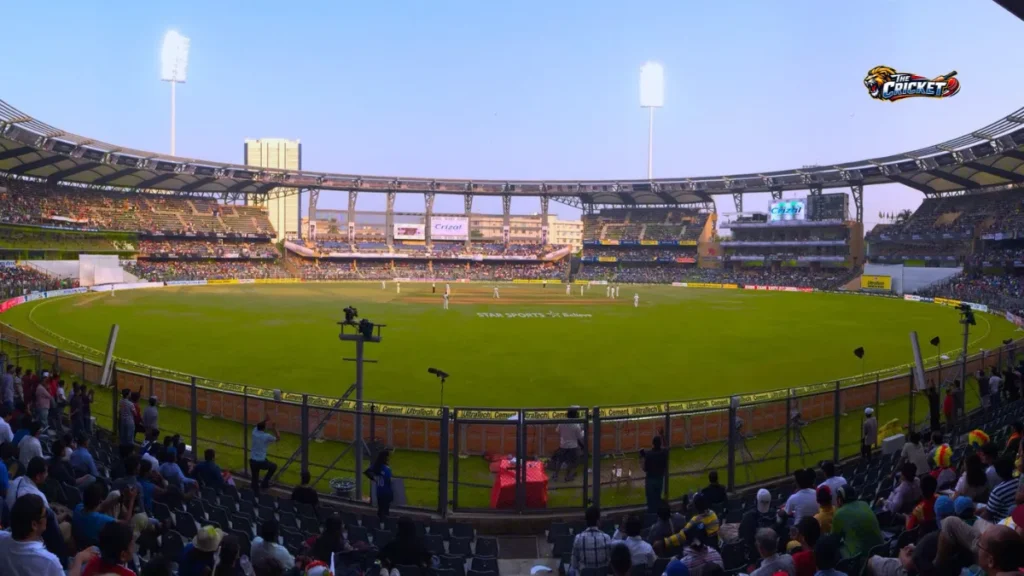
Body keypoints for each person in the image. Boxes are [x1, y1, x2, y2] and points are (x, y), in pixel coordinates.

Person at [0, 494, 95, 576]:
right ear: (34, 525)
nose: (47, 518)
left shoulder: (2, 538)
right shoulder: (48, 560)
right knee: (95, 553)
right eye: (45, 515)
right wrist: (79, 558)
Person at [72, 482, 135, 548]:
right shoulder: (102, 520)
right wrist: (132, 500)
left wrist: (120, 498)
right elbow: (126, 523)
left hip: (79, 544)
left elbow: (101, 507)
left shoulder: (78, 508)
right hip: (92, 550)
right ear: (100, 501)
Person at [831, 485, 883, 559]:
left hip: (862, 559)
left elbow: (834, 539)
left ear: (839, 499)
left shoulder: (839, 513)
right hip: (882, 550)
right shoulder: (864, 504)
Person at [571, 506, 613, 573]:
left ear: (586, 521)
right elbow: (610, 562)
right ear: (598, 521)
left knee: (570, 571)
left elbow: (574, 564)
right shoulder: (606, 538)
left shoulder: (578, 538)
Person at [249, 419, 279, 494]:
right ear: (264, 428)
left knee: (254, 479)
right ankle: (264, 483)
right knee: (273, 467)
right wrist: (274, 428)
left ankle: (254, 494)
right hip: (261, 461)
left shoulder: (254, 432)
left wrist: (265, 420)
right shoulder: (266, 436)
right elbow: (278, 438)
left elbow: (258, 425)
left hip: (252, 460)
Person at [554, 408, 584, 482]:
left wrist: (564, 435)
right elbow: (580, 437)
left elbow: (557, 430)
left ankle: (556, 475)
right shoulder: (576, 425)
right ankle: (568, 476)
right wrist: (583, 431)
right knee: (572, 462)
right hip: (573, 446)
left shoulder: (562, 422)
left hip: (563, 445)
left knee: (559, 461)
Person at [640, 437, 668, 512]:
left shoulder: (648, 454)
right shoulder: (663, 453)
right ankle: (657, 515)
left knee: (650, 501)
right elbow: (666, 447)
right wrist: (662, 435)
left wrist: (642, 457)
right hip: (659, 479)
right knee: (657, 498)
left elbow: (644, 469)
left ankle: (651, 516)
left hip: (650, 480)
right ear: (660, 444)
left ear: (652, 444)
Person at [364, 450, 393, 520]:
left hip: (379, 492)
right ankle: (385, 525)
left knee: (380, 510)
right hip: (386, 493)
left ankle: (379, 525)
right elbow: (389, 480)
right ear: (385, 458)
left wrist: (374, 478)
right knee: (386, 511)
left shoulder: (377, 466)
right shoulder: (387, 469)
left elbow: (367, 472)